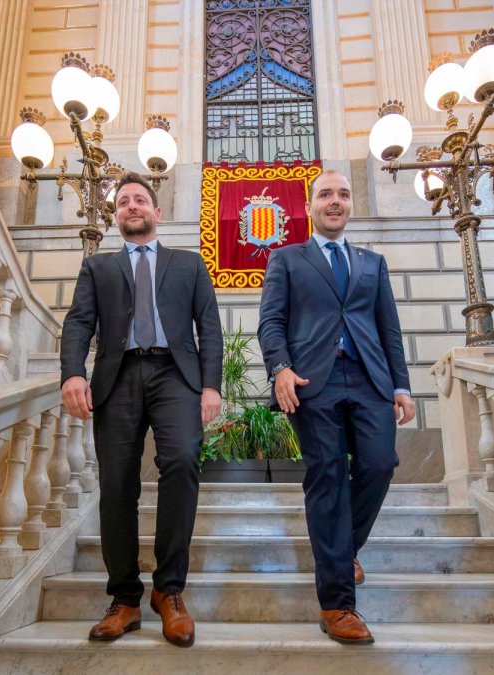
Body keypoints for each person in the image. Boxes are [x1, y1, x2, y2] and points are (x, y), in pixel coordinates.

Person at [60, 172, 223, 648]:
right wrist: (73, 373)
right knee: (116, 486)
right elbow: (78, 323)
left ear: (156, 212)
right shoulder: (99, 268)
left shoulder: (189, 265)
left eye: (140, 200)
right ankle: (126, 598)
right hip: (118, 376)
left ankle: (169, 591)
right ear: (115, 216)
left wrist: (210, 386)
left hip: (177, 376)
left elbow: (208, 330)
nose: (132, 206)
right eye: (124, 202)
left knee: (181, 463)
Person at [257, 169, 415, 645]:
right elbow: (271, 322)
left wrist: (401, 387)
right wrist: (280, 368)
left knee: (380, 463)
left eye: (343, 194)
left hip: (369, 378)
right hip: (312, 380)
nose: (335, 201)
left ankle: (343, 548)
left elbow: (388, 329)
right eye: (326, 194)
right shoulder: (287, 259)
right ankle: (337, 604)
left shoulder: (373, 262)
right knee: (326, 474)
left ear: (350, 205)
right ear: (309, 206)